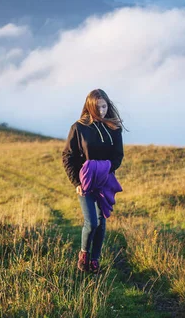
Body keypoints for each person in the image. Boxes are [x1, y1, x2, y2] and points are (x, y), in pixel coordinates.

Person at [62, 89, 125, 274]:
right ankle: (84, 254)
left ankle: (95, 260)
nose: (102, 110)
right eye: (97, 107)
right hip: (86, 181)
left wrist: (105, 168)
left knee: (101, 220)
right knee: (91, 223)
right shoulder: (78, 128)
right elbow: (67, 156)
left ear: (108, 105)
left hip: (104, 179)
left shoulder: (114, 128)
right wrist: (77, 182)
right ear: (89, 107)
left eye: (104, 106)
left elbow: (118, 156)